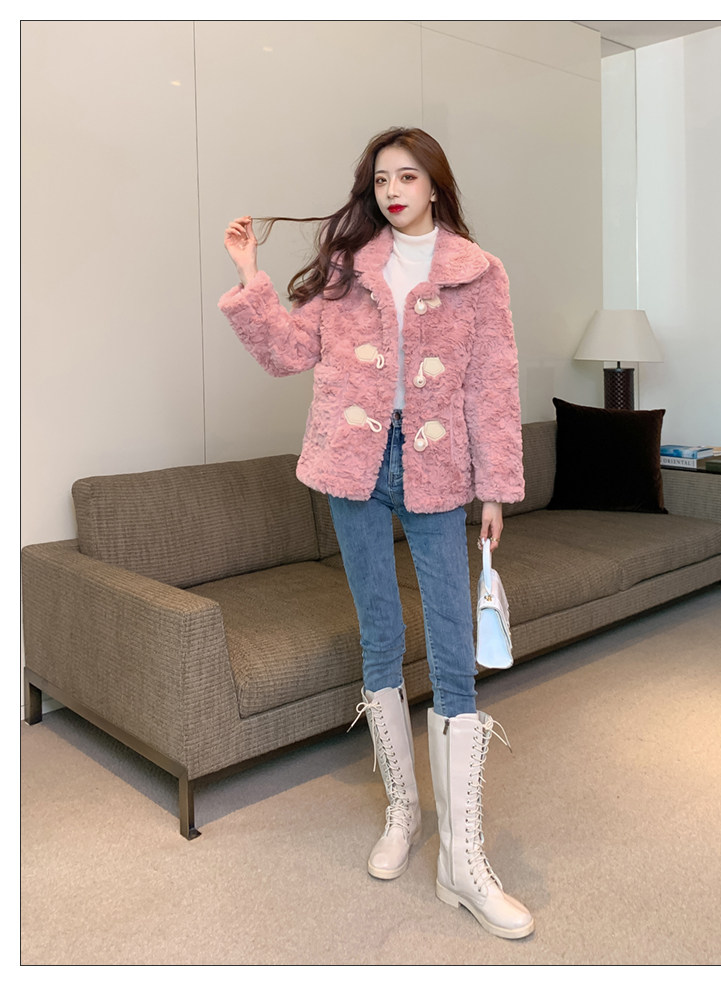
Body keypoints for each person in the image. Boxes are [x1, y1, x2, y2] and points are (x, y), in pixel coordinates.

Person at [219, 127, 533, 940]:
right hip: (351, 462)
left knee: (454, 644)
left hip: (437, 465)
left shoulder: (478, 271)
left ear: (435, 185)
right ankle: (402, 810)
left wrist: (496, 486)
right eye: (382, 178)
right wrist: (251, 278)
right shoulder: (346, 267)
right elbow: (288, 353)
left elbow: (494, 384)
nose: (394, 190)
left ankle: (463, 859)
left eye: (409, 176)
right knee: (380, 634)